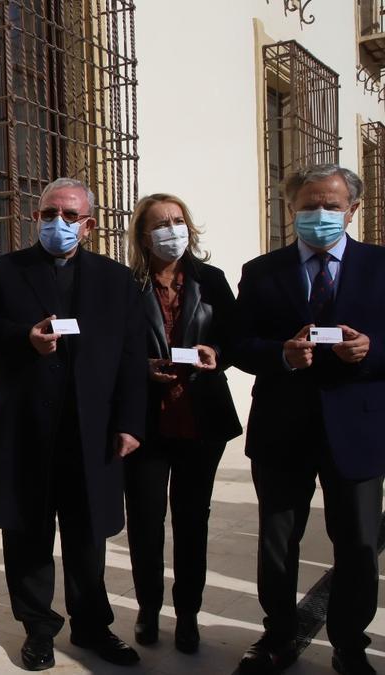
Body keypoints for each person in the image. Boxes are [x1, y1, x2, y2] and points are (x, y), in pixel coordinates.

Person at [0, 177, 146, 671]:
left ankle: (92, 626)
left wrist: (131, 422)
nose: (59, 223)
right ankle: (38, 629)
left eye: (70, 216)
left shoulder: (115, 280)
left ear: (88, 225)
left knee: (87, 533)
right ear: (35, 218)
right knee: (26, 534)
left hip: (90, 430)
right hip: (25, 426)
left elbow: (133, 356)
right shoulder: (2, 271)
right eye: (50, 213)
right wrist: (22, 337)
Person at [231, 164, 385, 675]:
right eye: (309, 206)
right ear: (291, 210)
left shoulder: (380, 266)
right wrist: (281, 355)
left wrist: (370, 351)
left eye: (332, 206)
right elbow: (239, 344)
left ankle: (349, 643)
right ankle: (276, 636)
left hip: (357, 429)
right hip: (283, 428)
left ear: (353, 210)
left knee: (358, 545)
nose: (320, 215)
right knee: (278, 541)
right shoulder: (261, 271)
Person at [122, 194, 242, 653]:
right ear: (143, 235)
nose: (171, 229)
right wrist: (141, 370)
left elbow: (232, 338)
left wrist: (219, 355)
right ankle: (148, 610)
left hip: (200, 418)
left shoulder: (210, 280)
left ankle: (188, 614)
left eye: (177, 221)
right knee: (146, 523)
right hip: (147, 421)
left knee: (193, 521)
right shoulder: (127, 285)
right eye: (160, 223)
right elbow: (114, 348)